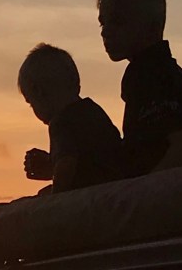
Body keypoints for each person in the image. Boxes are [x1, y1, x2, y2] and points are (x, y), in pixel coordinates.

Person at [97, 0, 182, 176]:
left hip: (167, 196)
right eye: (103, 23)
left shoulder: (148, 75)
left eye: (118, 22)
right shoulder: (172, 74)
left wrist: (141, 192)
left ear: (150, 27)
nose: (105, 32)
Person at [19, 44, 124, 193]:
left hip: (93, 196)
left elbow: (66, 167)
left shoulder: (61, 123)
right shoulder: (94, 111)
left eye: (30, 102)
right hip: (116, 186)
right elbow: (90, 161)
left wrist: (55, 198)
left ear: (39, 93)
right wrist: (51, 164)